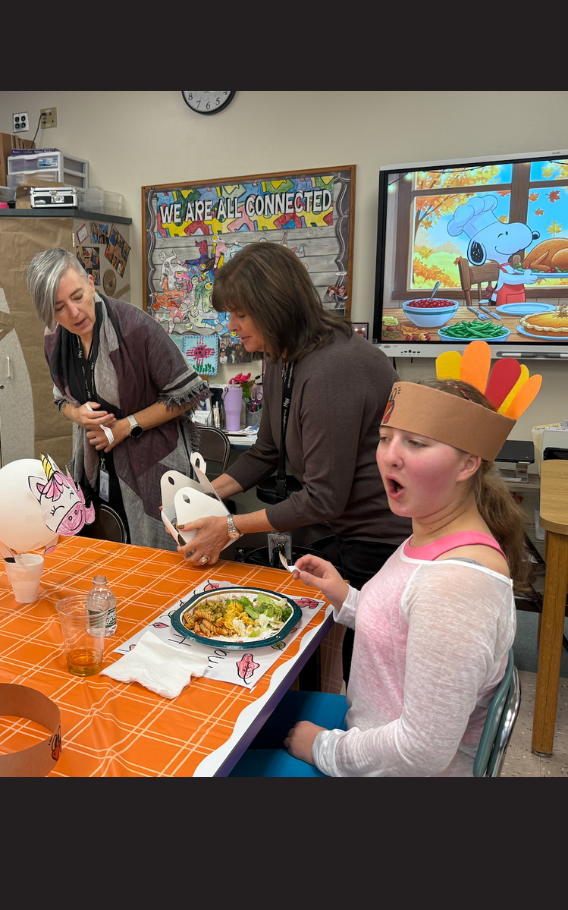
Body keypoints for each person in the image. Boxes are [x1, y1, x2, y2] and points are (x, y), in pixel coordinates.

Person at [230, 370, 534, 776]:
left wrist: (321, 746)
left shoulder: (456, 586)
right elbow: (407, 630)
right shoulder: (430, 537)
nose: (389, 455)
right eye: (386, 436)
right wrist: (345, 596)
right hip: (368, 730)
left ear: (468, 464)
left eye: (417, 443)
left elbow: (420, 753)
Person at [177, 242, 410, 681]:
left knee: (364, 671)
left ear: (274, 306)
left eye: (240, 314)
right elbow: (267, 451)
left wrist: (229, 526)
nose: (232, 327)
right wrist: (203, 495)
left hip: (377, 540)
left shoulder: (332, 369)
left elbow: (323, 498)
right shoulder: (281, 355)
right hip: (338, 530)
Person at [27, 249, 209, 549]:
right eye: (59, 307)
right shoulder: (55, 339)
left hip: (155, 468)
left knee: (157, 568)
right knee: (103, 561)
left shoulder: (135, 328)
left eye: (77, 296)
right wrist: (78, 415)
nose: (73, 313)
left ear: (90, 281)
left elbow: (187, 395)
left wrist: (126, 426)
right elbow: (61, 400)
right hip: (96, 471)